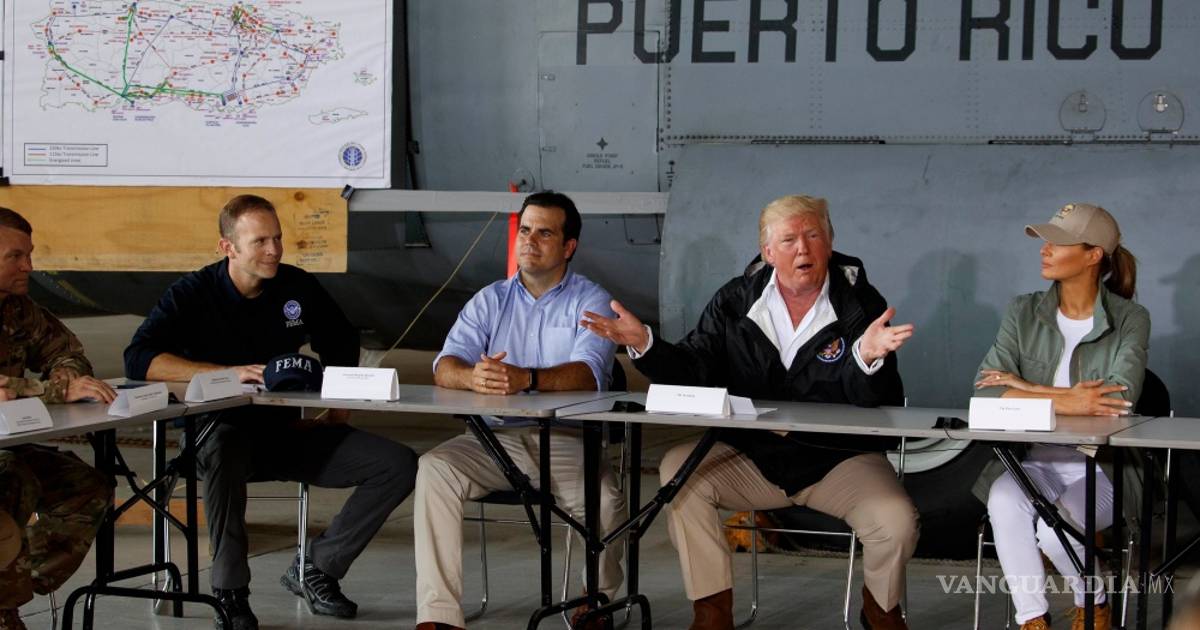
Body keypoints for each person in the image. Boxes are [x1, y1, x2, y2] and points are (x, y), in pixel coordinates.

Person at [582, 195, 919, 630]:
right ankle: (712, 612)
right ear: (768, 251)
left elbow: (879, 399)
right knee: (679, 472)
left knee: (896, 520)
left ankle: (880, 611)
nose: (804, 248)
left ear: (830, 242)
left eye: (814, 235)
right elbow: (694, 367)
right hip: (753, 457)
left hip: (837, 459)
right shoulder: (735, 300)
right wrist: (645, 344)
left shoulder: (861, 304)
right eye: (789, 239)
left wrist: (866, 359)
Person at [124, 194, 418, 630]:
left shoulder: (296, 286)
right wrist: (225, 373)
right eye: (260, 241)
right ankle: (230, 593)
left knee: (397, 464)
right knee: (224, 449)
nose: (274, 250)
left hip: (285, 434)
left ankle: (317, 568)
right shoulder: (193, 293)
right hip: (216, 436)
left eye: (277, 238)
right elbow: (139, 358)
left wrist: (337, 405)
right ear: (228, 247)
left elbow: (341, 340)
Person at [415, 191, 625, 630]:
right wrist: (471, 377)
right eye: (525, 230)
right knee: (435, 468)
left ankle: (596, 600)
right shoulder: (490, 299)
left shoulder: (592, 300)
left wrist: (526, 377)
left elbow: (589, 373)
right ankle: (439, 616)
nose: (529, 240)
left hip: (567, 440)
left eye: (544, 233)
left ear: (568, 247)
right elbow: (444, 365)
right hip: (494, 440)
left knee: (605, 500)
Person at [975, 203, 1148, 630]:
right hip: (1032, 460)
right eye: (1044, 241)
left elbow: (1118, 400)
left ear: (1093, 255)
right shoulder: (1022, 311)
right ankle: (1032, 619)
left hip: (1103, 468)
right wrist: (1069, 399)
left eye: (1058, 242)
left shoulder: (1130, 319)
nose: (1045, 249)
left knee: (1056, 532)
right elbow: (987, 391)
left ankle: (1095, 606)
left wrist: (1025, 388)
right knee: (1003, 499)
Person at [0, 206, 116, 630]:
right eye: (16, 256)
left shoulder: (17, 308)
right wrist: (53, 391)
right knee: (12, 477)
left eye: (29, 254)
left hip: (9, 441)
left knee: (87, 487)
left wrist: (66, 376)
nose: (29, 267)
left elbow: (66, 352)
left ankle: (17, 584)